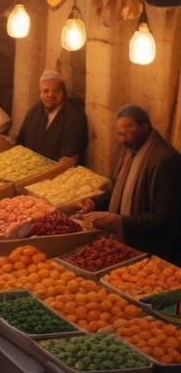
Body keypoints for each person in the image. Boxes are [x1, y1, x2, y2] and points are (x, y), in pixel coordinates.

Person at [75, 105, 181, 263]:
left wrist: (118, 221)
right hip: (131, 242)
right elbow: (119, 192)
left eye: (128, 126)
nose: (121, 131)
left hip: (154, 251)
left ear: (145, 126)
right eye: (119, 128)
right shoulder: (133, 151)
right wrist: (94, 202)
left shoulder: (164, 160)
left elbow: (164, 217)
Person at [14, 71, 89, 163]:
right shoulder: (35, 111)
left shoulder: (74, 117)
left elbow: (69, 153)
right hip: (28, 167)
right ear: (40, 93)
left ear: (63, 93)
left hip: (56, 173)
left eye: (56, 91)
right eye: (45, 91)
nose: (50, 95)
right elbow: (21, 140)